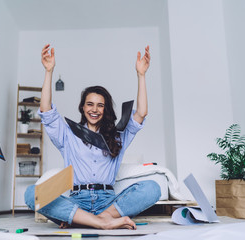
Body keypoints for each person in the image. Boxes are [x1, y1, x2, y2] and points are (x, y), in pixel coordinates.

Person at [24, 44, 160, 230]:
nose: (94, 110)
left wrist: (141, 75)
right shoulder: (69, 134)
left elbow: (141, 113)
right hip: (77, 201)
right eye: (89, 104)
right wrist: (49, 71)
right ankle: (100, 223)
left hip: (108, 203)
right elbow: (46, 111)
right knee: (32, 194)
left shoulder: (118, 136)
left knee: (153, 188)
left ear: (105, 110)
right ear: (82, 107)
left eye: (100, 106)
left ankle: (92, 219)